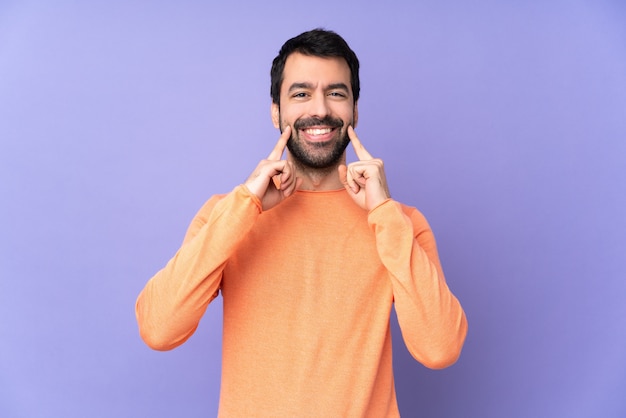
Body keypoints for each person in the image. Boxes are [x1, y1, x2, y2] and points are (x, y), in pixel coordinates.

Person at [136, 28, 468, 417]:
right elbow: (159, 329)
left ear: (355, 111)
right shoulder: (227, 214)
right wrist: (246, 205)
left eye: (336, 93)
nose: (321, 109)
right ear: (276, 111)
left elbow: (440, 349)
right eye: (301, 93)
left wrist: (384, 214)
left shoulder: (400, 223)